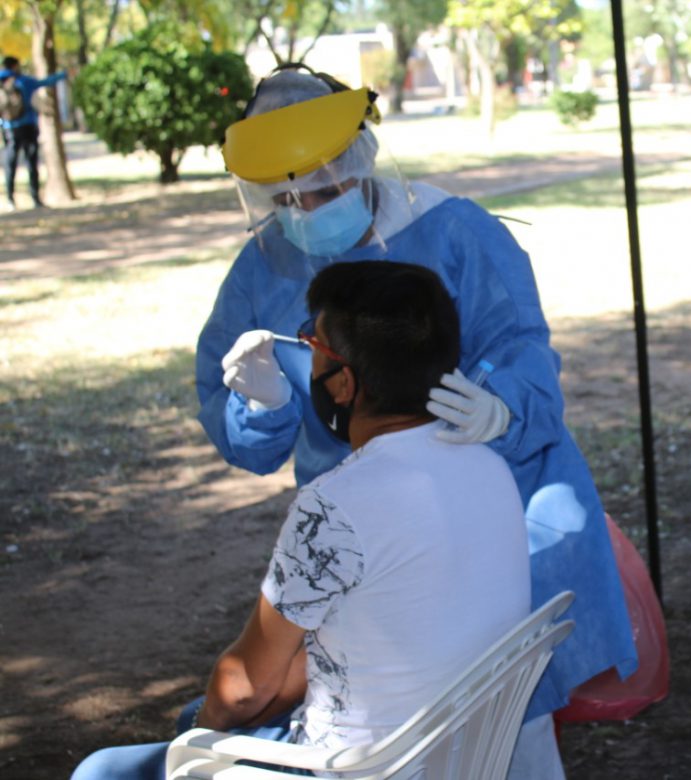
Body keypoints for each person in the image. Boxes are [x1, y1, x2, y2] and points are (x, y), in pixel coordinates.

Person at [195, 65, 636, 737]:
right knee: (397, 686)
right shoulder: (261, 270)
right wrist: (257, 406)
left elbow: (524, 355)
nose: (306, 214)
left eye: (325, 189)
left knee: (497, 691)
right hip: (368, 519)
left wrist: (506, 409)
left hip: (495, 493)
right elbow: (250, 447)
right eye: (287, 203)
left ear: (359, 157)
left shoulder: (455, 234)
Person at [72, 261, 558, 778]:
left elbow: (242, 689)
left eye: (312, 346)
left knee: (107, 768)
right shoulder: (490, 465)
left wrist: (198, 743)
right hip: (452, 756)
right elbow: (358, 639)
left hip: (354, 766)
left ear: (344, 383)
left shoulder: (335, 505)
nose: (306, 360)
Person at [0, 55, 66, 211]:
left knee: (10, 164)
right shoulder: (23, 81)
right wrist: (63, 75)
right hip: (28, 126)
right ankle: (35, 198)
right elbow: (45, 82)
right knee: (31, 162)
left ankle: (10, 199)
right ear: (15, 66)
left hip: (8, 128)